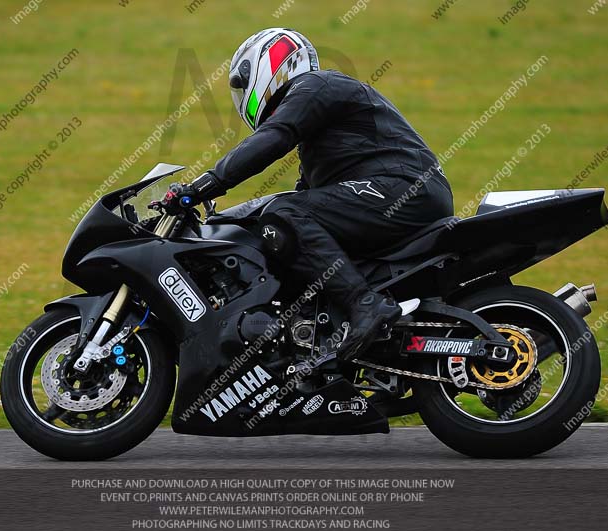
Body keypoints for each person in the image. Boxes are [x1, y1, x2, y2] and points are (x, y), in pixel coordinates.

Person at [182, 28, 454, 360]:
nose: (242, 97)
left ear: (271, 63)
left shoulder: (317, 85)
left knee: (285, 214)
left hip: (403, 189)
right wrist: (224, 222)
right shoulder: (318, 137)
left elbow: (273, 138)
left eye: (242, 84)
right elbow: (296, 202)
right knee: (286, 224)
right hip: (398, 193)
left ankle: (366, 305)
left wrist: (204, 185)